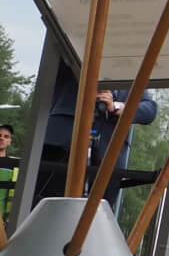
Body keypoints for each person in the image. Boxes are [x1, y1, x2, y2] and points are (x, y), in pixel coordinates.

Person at [34, 59, 158, 213]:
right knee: (46, 209)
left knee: (96, 217)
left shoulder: (130, 70)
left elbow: (149, 109)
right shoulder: (80, 53)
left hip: (108, 156)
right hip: (62, 143)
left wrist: (116, 107)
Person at [0, 122, 17, 222]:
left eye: (6, 136)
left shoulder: (16, 165)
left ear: (10, 141)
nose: (2, 138)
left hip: (3, 223)